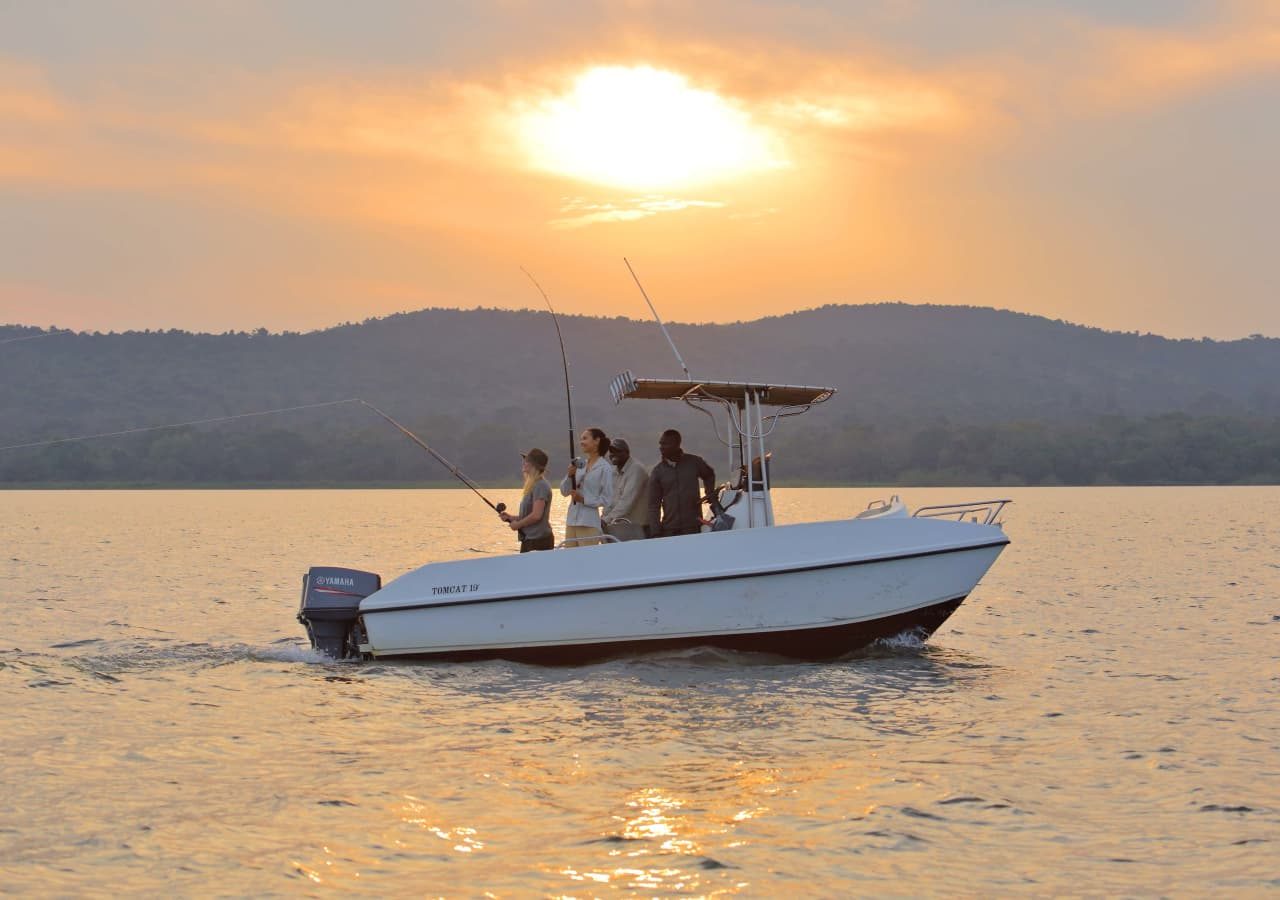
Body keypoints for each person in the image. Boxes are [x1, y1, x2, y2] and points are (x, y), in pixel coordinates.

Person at [647, 428, 716, 538]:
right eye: (660, 443)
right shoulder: (657, 472)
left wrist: (709, 492)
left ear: (676, 444)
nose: (661, 447)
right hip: (669, 529)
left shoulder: (694, 462)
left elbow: (709, 474)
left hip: (693, 526)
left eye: (665, 444)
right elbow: (653, 505)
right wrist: (655, 531)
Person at [559, 427, 615, 547]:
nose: (581, 442)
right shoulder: (579, 465)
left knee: (587, 561)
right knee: (569, 560)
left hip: (589, 523)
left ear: (596, 441)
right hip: (571, 521)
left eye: (585, 438)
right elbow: (564, 491)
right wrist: (569, 475)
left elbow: (607, 499)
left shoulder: (605, 468)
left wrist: (584, 500)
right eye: (580, 439)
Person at [500, 447, 554, 552]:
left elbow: (536, 515)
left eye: (527, 461)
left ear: (534, 465)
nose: (524, 463)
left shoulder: (540, 486)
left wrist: (517, 525)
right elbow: (530, 514)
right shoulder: (534, 485)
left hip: (538, 542)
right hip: (530, 540)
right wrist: (512, 518)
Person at [601, 437, 650, 541]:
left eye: (618, 451)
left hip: (637, 529)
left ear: (627, 453)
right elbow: (610, 500)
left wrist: (606, 520)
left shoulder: (637, 469)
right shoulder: (613, 471)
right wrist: (602, 518)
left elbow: (627, 502)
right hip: (618, 528)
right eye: (611, 451)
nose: (613, 454)